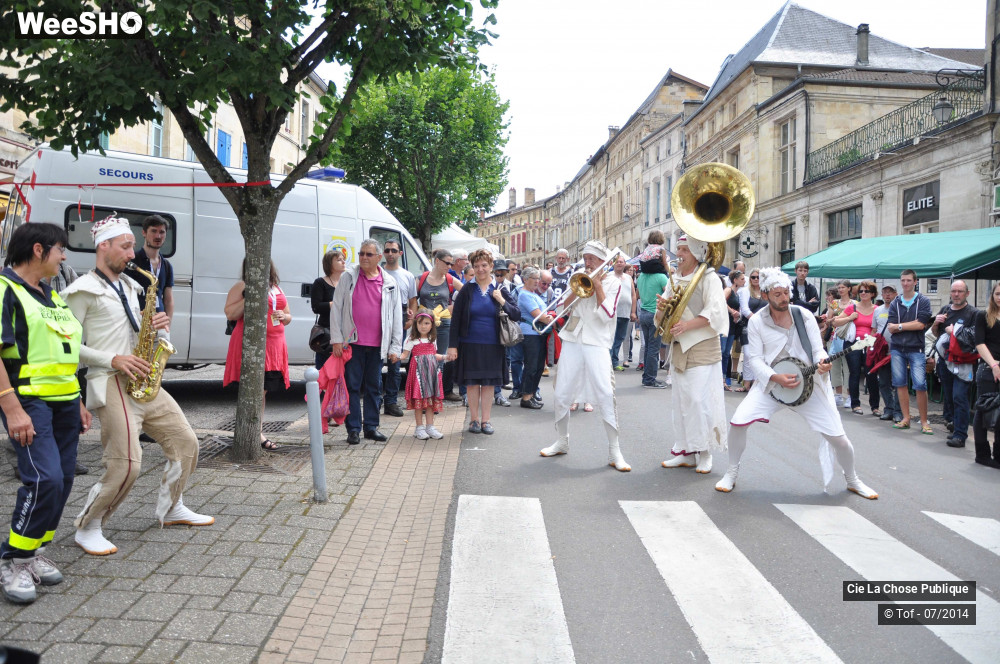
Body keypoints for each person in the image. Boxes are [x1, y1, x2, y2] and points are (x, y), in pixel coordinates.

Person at [61, 214, 213, 557]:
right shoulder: (81, 291)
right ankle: (89, 525)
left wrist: (159, 326)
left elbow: (142, 332)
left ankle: (171, 508)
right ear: (104, 247)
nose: (132, 254)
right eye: (126, 246)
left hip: (143, 379)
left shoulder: (132, 286)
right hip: (110, 381)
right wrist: (112, 359)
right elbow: (65, 346)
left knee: (186, 442)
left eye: (132, 246)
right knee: (127, 462)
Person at [716, 267, 878, 499]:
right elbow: (755, 359)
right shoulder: (756, 323)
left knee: (839, 440)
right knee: (738, 422)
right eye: (777, 294)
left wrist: (823, 362)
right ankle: (731, 472)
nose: (784, 298)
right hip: (772, 385)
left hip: (809, 386)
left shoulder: (803, 315)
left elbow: (818, 348)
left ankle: (853, 479)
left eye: (786, 293)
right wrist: (775, 377)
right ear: (765, 295)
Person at [0, 223, 90, 604]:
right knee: (45, 480)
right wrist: (12, 407)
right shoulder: (6, 290)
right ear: (39, 250)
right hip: (29, 401)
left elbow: (62, 353)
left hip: (66, 400)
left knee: (64, 479)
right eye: (61, 249)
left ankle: (33, 550)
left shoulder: (49, 294)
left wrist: (80, 401)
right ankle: (13, 559)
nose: (64, 256)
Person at [539, 241, 630, 472]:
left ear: (603, 261)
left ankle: (614, 450)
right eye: (585, 257)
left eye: (592, 259)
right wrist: (578, 289)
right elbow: (561, 307)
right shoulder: (578, 276)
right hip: (573, 337)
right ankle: (562, 440)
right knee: (561, 392)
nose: (588, 262)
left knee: (606, 393)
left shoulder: (614, 282)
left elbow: (608, 314)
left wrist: (596, 286)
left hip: (597, 341)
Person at [658, 235, 729, 474]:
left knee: (699, 401)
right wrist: (662, 309)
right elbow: (664, 315)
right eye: (678, 249)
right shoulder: (674, 278)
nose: (679, 254)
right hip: (680, 346)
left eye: (685, 250)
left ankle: (705, 452)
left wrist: (687, 326)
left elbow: (716, 311)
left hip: (702, 344)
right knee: (681, 400)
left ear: (697, 252)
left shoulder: (709, 277)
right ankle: (686, 452)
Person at [329, 239, 403, 445]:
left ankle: (371, 427)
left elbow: (397, 316)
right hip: (352, 343)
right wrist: (336, 339)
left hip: (378, 345)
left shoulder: (389, 282)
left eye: (369, 254)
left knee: (374, 386)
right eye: (361, 253)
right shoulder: (348, 277)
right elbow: (336, 309)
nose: (363, 257)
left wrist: (395, 347)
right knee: (353, 386)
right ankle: (353, 429)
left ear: (379, 258)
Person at [446, 250, 519, 435]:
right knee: (471, 384)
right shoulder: (466, 290)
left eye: (484, 265)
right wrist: (452, 345)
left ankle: (486, 420)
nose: (480, 269)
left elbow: (516, 314)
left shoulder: (500, 289)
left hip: (493, 345)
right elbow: (456, 320)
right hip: (469, 343)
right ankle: (474, 420)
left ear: (491, 266)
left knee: (488, 384)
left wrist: (501, 300)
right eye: (476, 266)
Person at [223, 258, 291, 450]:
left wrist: (283, 317)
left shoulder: (276, 287)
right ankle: (256, 433)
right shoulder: (242, 286)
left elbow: (288, 315)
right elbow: (230, 313)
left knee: (263, 389)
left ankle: (256, 430)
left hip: (275, 345)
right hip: (253, 344)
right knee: (256, 390)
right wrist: (250, 295)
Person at [931, 280, 977, 447]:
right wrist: (936, 323)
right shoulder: (945, 310)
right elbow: (936, 334)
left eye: (960, 291)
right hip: (945, 360)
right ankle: (954, 424)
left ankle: (960, 435)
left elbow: (974, 338)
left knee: (960, 396)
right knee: (950, 396)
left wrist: (955, 332)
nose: (956, 294)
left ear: (967, 294)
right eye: (954, 291)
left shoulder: (973, 313)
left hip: (964, 362)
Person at [887, 269, 934, 434]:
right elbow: (890, 328)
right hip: (897, 348)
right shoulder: (895, 302)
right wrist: (907, 326)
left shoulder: (923, 301)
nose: (905, 283)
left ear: (915, 282)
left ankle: (923, 421)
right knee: (900, 383)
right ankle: (906, 419)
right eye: (903, 280)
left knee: (920, 384)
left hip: (916, 348)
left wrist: (900, 326)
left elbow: (921, 324)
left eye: (908, 280)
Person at [418, 249, 462, 403]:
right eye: (447, 263)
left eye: (451, 263)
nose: (449, 266)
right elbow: (411, 299)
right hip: (424, 326)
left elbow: (466, 294)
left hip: (443, 325)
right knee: (424, 360)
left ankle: (435, 397)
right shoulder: (422, 278)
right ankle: (426, 396)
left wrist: (453, 307)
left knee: (440, 361)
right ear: (437, 261)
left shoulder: (449, 279)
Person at [382, 240, 418, 417]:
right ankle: (377, 400)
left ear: (400, 254)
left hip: (400, 323)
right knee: (375, 365)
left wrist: (410, 321)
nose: (390, 253)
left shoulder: (407, 276)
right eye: (387, 250)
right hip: (380, 323)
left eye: (393, 250)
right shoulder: (378, 273)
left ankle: (391, 401)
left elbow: (413, 300)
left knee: (395, 365)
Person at [832, 280, 877, 415]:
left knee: (871, 374)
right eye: (861, 291)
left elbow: (876, 328)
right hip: (853, 343)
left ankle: (875, 406)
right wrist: (850, 317)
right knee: (855, 372)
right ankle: (855, 404)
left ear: (873, 294)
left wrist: (870, 341)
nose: (863, 293)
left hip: (869, 344)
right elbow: (835, 321)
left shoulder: (876, 309)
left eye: (866, 291)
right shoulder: (853, 308)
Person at [402, 308, 445, 440]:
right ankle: (419, 428)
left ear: (432, 324)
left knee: (430, 401)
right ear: (416, 324)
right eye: (420, 323)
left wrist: (445, 357)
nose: (423, 326)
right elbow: (404, 355)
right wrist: (395, 356)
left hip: (431, 373)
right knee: (419, 401)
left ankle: (430, 427)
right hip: (418, 375)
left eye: (426, 323)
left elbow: (433, 355)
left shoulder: (432, 338)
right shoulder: (412, 339)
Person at [124, 214, 174, 325]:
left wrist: (168, 323)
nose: (158, 236)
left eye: (162, 232)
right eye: (153, 231)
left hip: (159, 324)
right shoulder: (132, 261)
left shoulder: (167, 265)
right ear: (144, 233)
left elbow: (168, 300)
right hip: (137, 322)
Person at [637, 232, 670, 389]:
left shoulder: (642, 276)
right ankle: (650, 379)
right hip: (655, 314)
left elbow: (637, 295)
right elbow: (669, 294)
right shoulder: (661, 277)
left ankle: (646, 377)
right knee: (654, 349)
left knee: (648, 347)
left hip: (643, 313)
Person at [973, 282, 1000, 468]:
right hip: (987, 369)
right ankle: (982, 454)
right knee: (983, 411)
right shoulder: (983, 316)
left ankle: (998, 455)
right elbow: (979, 343)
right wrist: (994, 364)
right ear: (992, 295)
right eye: (997, 294)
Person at [516, 267, 549, 410]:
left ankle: (532, 392)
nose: (537, 281)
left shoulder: (533, 294)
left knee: (539, 366)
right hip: (530, 332)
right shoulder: (524, 295)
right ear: (525, 279)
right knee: (532, 365)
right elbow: (539, 315)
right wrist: (552, 319)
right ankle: (526, 397)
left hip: (538, 332)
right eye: (534, 278)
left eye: (538, 278)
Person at [310, 249, 347, 369]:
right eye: (339, 260)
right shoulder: (320, 282)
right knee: (324, 369)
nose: (343, 262)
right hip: (327, 333)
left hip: (345, 332)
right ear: (329, 264)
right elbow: (316, 307)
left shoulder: (347, 282)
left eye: (343, 259)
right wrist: (335, 304)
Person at [872, 285, 901, 422]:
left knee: (898, 383)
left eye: (890, 292)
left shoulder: (901, 309)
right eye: (885, 292)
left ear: (896, 294)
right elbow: (874, 330)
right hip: (882, 353)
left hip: (897, 351)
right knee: (883, 382)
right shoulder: (877, 310)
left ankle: (898, 411)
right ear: (881, 295)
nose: (887, 295)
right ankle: (888, 409)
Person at [827, 279, 855, 407]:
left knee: (848, 367)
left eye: (843, 287)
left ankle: (849, 395)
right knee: (835, 366)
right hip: (835, 337)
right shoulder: (834, 303)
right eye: (839, 288)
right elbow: (829, 320)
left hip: (848, 337)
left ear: (849, 288)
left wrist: (838, 319)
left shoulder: (855, 303)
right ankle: (838, 394)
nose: (840, 290)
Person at [737, 268, 767, 389]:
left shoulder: (766, 291)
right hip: (748, 326)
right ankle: (746, 383)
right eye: (753, 277)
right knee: (748, 354)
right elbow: (744, 309)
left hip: (764, 327)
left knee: (760, 355)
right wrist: (756, 320)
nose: (755, 279)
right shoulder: (745, 291)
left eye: (758, 277)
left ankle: (756, 383)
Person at [610, 255, 637, 371]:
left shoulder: (628, 278)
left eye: (622, 262)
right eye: (618, 262)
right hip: (612, 313)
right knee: (611, 338)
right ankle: (610, 362)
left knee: (620, 338)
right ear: (614, 264)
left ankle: (614, 361)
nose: (620, 263)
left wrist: (633, 312)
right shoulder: (608, 276)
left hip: (625, 313)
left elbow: (633, 295)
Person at [722, 270, 744, 390]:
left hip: (732, 325)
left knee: (726, 353)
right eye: (742, 279)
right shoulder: (729, 290)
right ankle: (720, 378)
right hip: (725, 325)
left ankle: (724, 378)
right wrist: (732, 312)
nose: (744, 281)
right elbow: (721, 301)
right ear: (735, 280)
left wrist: (737, 315)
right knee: (722, 352)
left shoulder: (738, 293)